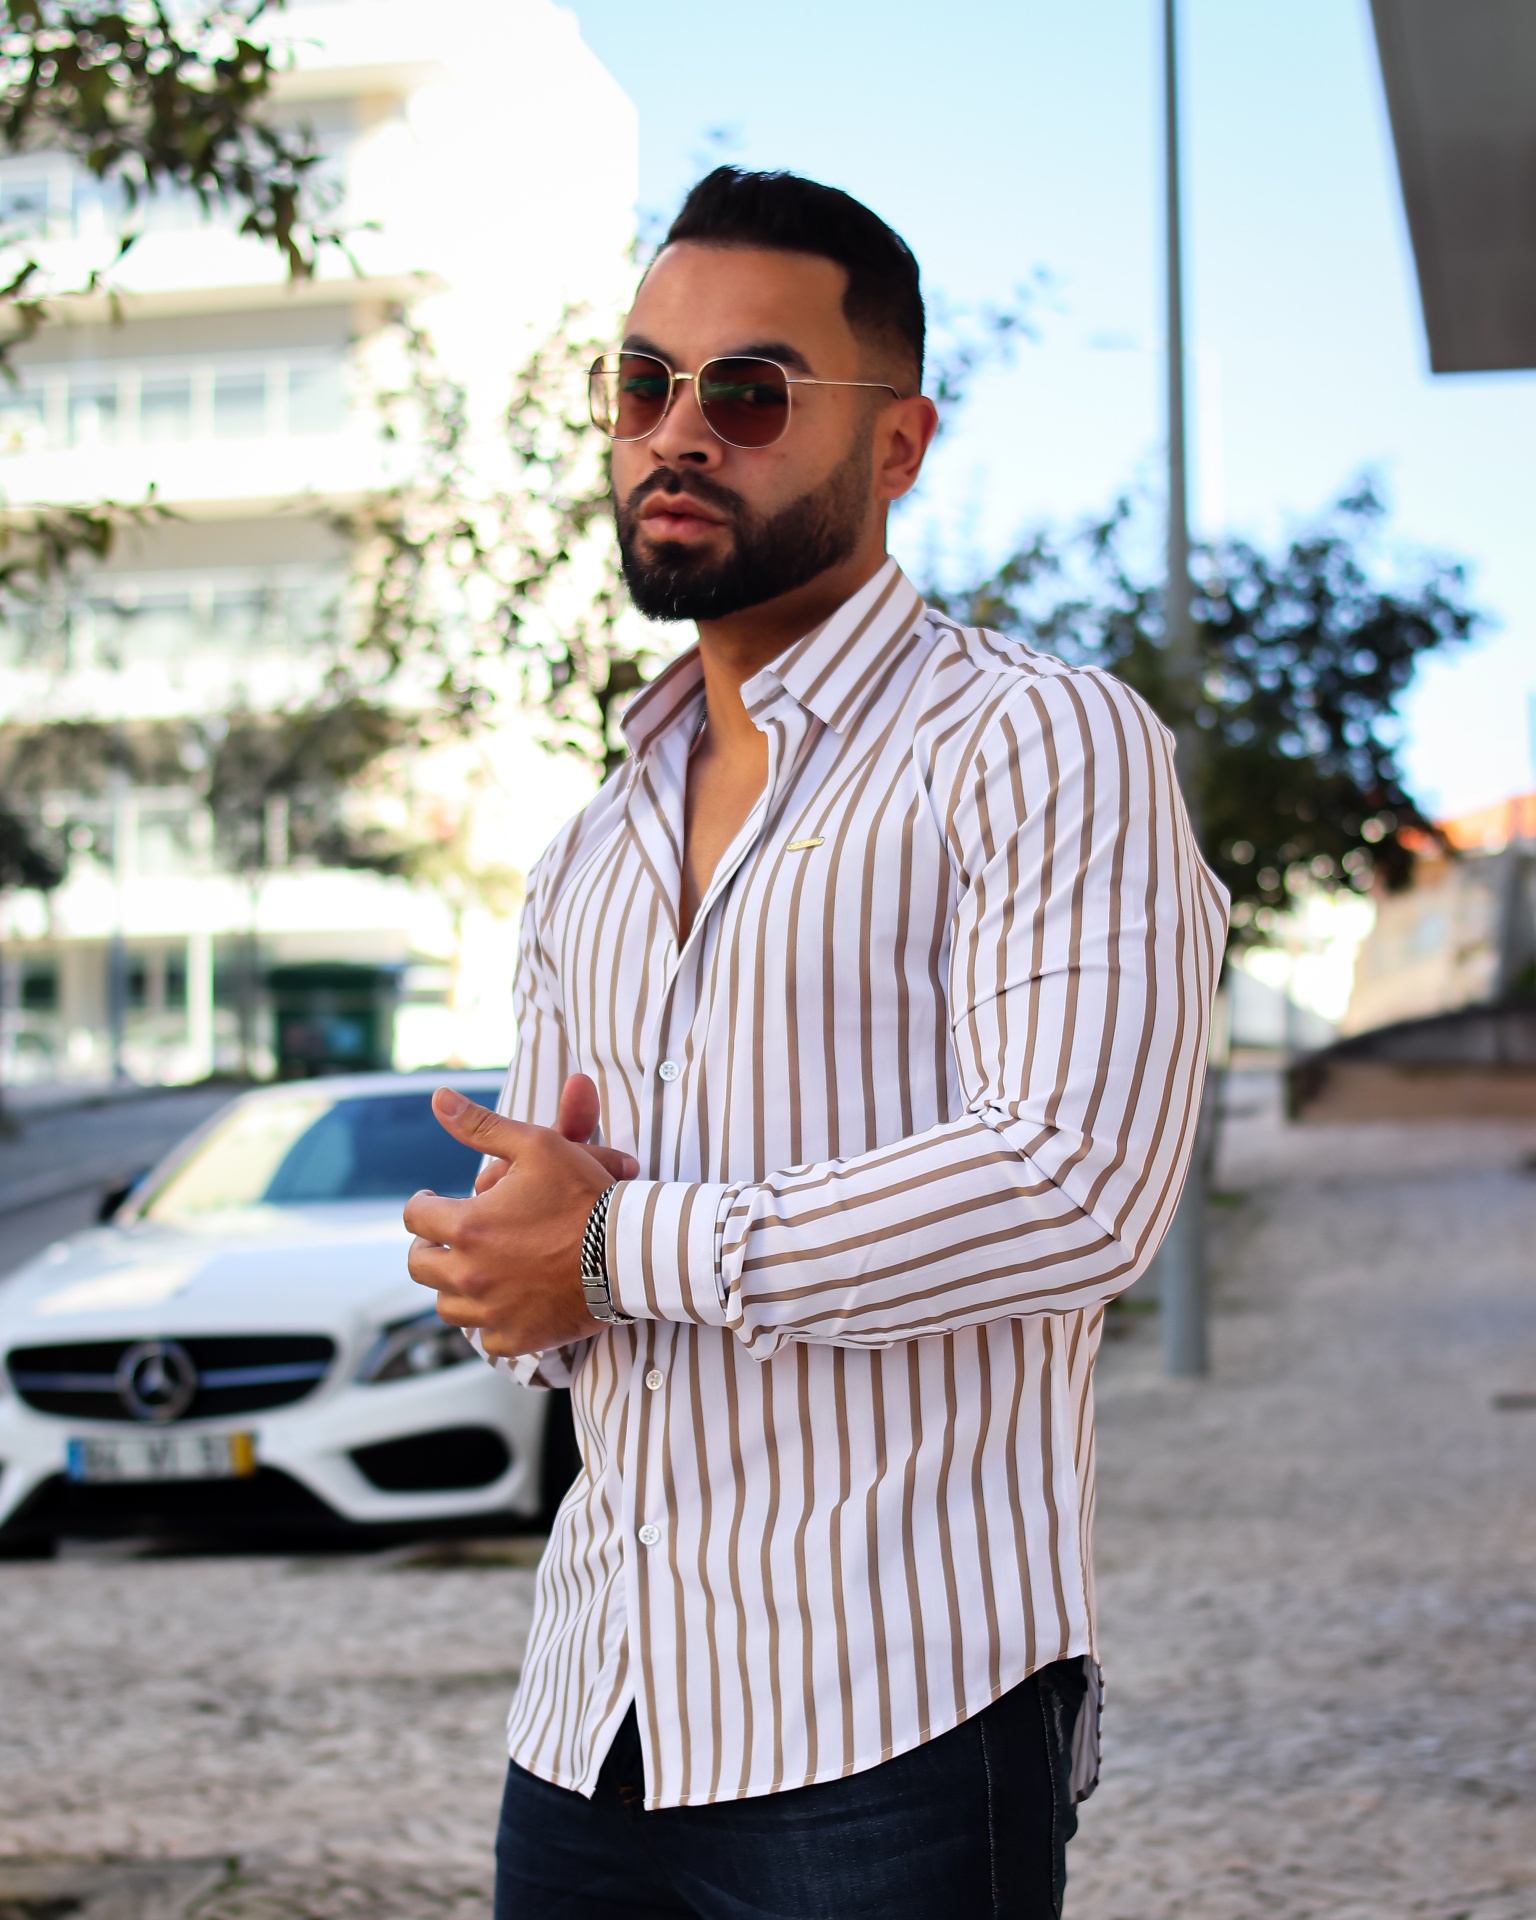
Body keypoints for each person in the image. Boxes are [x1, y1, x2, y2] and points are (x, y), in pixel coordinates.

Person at [405, 167, 1228, 1919]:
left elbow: (1076, 1188)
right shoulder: (591, 843)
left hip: (894, 1723)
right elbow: (561, 1287)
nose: (680, 433)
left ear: (899, 443)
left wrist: (617, 1247)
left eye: (753, 391)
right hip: (593, 1721)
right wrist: (508, 1276)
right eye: (644, 385)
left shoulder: (1039, 744)